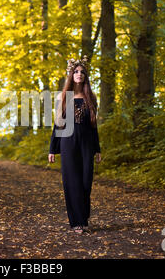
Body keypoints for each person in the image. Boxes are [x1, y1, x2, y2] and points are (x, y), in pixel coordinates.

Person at [48, 56, 102, 234]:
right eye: (76, 72)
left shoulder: (90, 98)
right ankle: (76, 222)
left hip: (86, 143)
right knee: (72, 182)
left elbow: (93, 126)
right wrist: (52, 149)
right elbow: (57, 124)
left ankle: (84, 217)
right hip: (67, 142)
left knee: (86, 181)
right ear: (71, 75)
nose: (79, 74)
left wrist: (97, 148)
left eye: (82, 72)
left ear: (86, 76)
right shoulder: (63, 97)